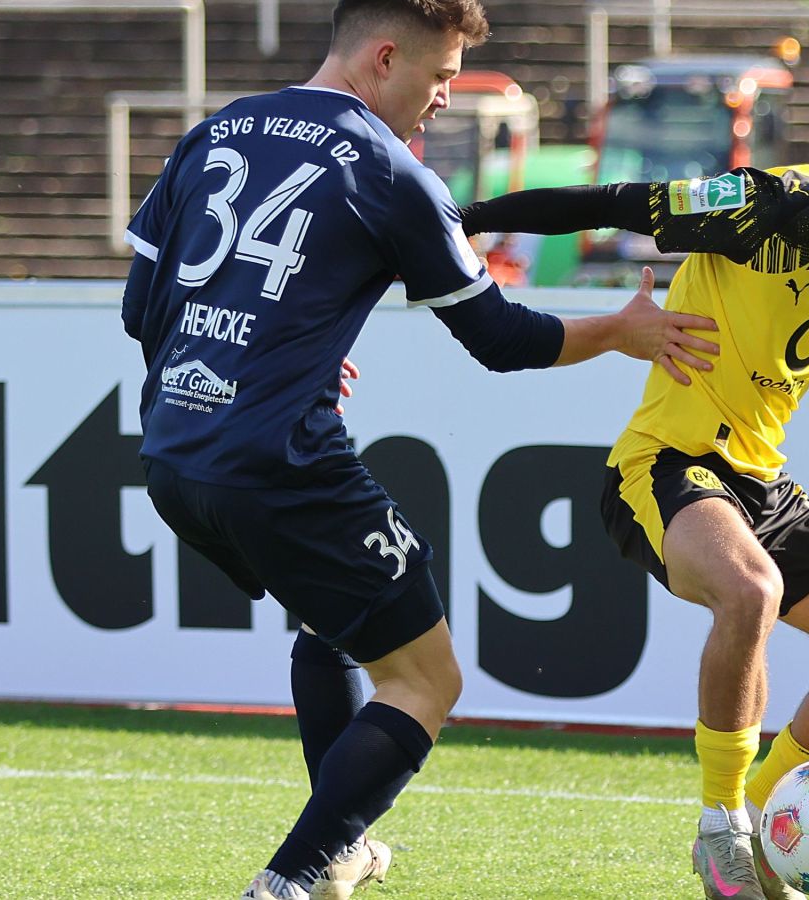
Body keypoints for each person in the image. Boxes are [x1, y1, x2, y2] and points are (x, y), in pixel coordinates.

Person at [118, 0, 719, 896]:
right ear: (385, 56)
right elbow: (502, 339)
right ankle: (287, 881)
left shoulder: (217, 130)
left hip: (171, 454)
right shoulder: (389, 171)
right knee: (427, 679)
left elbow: (141, 309)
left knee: (337, 623)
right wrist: (622, 330)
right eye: (440, 78)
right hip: (275, 462)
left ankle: (338, 855)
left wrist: (275, 360)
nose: (444, 99)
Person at [462, 94, 809, 900]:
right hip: (664, 468)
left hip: (760, 483)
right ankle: (721, 826)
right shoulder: (769, 209)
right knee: (751, 589)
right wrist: (464, 217)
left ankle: (768, 827)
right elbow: (610, 205)